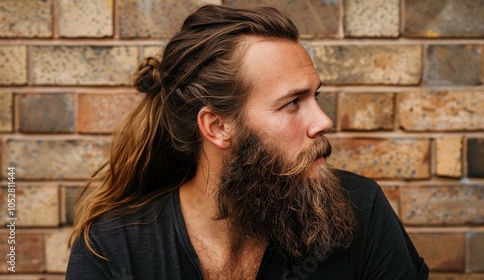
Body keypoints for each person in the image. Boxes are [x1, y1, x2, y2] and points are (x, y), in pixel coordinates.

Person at [66, 4, 429, 280]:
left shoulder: (360, 211)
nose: (323, 122)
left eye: (315, 97)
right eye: (292, 103)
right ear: (218, 126)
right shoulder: (116, 250)